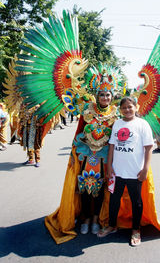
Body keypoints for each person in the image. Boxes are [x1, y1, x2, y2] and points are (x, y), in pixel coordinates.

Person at [45, 87, 118, 241]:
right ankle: (85, 219)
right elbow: (78, 132)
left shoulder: (116, 113)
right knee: (84, 188)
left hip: (104, 158)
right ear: (97, 97)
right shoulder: (87, 110)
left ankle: (96, 219)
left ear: (112, 97)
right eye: (102, 95)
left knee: (99, 190)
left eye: (107, 95)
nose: (105, 97)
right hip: (86, 155)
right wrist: (73, 153)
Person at [97, 97, 154, 246]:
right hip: (117, 171)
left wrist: (145, 169)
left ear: (136, 107)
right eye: (124, 108)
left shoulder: (143, 124)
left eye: (130, 107)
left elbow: (149, 148)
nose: (127, 110)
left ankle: (136, 230)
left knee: (136, 201)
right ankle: (111, 225)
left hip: (135, 172)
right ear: (120, 110)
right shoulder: (117, 124)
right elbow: (112, 146)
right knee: (114, 199)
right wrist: (109, 167)